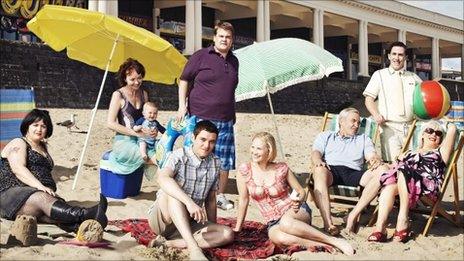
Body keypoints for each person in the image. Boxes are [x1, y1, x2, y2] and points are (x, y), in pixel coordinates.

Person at [234, 132, 354, 255]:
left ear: (269, 151)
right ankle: (322, 244)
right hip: (273, 221)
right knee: (278, 238)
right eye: (252, 147)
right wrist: (238, 229)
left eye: (259, 148)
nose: (254, 151)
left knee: (286, 222)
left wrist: (297, 200)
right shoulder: (244, 171)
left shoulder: (281, 168)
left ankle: (333, 240)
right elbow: (243, 200)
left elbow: (301, 191)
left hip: (295, 211)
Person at [0, 109, 108, 232]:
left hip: (34, 197)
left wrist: (47, 189)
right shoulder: (19, 142)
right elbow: (18, 169)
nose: (39, 129)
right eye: (35, 125)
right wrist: (40, 186)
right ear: (27, 127)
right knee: (42, 199)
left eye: (43, 126)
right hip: (10, 195)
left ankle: (79, 226)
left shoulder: (43, 148)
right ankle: (88, 214)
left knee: (52, 210)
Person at [147, 120, 234, 261]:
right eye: (203, 140)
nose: (207, 146)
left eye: (212, 142)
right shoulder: (178, 156)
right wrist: (189, 202)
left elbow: (211, 199)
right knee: (174, 191)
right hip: (164, 219)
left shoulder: (215, 162)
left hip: (189, 222)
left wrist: (212, 225)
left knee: (227, 234)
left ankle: (169, 244)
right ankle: (194, 248)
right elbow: (162, 178)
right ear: (193, 138)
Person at [176, 21, 239, 210]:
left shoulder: (234, 61)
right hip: (200, 116)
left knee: (224, 159)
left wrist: (233, 113)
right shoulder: (201, 56)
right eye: (221, 36)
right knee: (192, 155)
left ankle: (219, 195)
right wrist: (181, 106)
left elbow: (230, 90)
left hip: (226, 117)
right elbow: (184, 80)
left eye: (228, 37)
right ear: (214, 37)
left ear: (232, 40)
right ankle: (186, 193)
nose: (224, 40)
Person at [368, 121, 457, 242]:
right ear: (422, 135)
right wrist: (379, 163)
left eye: (438, 133)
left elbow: (452, 129)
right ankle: (380, 228)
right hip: (404, 184)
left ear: (441, 139)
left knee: (404, 169)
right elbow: (393, 167)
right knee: (389, 186)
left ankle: (403, 219)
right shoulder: (408, 152)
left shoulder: (441, 153)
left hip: (426, 187)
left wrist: (446, 121)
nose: (433, 134)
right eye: (429, 130)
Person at [311, 107, 389, 235]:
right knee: (319, 170)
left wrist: (374, 159)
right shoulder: (326, 136)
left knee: (383, 170)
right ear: (341, 121)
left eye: (358, 122)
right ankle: (328, 223)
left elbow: (371, 154)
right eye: (353, 121)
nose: (356, 125)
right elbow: (316, 152)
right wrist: (318, 160)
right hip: (332, 171)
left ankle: (352, 215)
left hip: (354, 173)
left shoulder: (363, 138)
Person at [363, 41, 422, 163]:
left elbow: (424, 99)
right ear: (389, 56)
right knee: (393, 164)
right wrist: (376, 115)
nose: (397, 58)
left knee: (412, 164)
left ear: (405, 57)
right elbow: (368, 99)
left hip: (411, 128)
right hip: (389, 128)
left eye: (400, 55)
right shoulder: (379, 75)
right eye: (394, 54)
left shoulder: (413, 77)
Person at [107, 58, 157, 174]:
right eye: (132, 79)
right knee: (158, 160)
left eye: (139, 78)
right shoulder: (118, 95)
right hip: (124, 141)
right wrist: (135, 133)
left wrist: (152, 131)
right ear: (125, 78)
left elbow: (147, 118)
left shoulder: (144, 94)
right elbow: (110, 123)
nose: (137, 82)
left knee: (164, 153)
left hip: (144, 138)